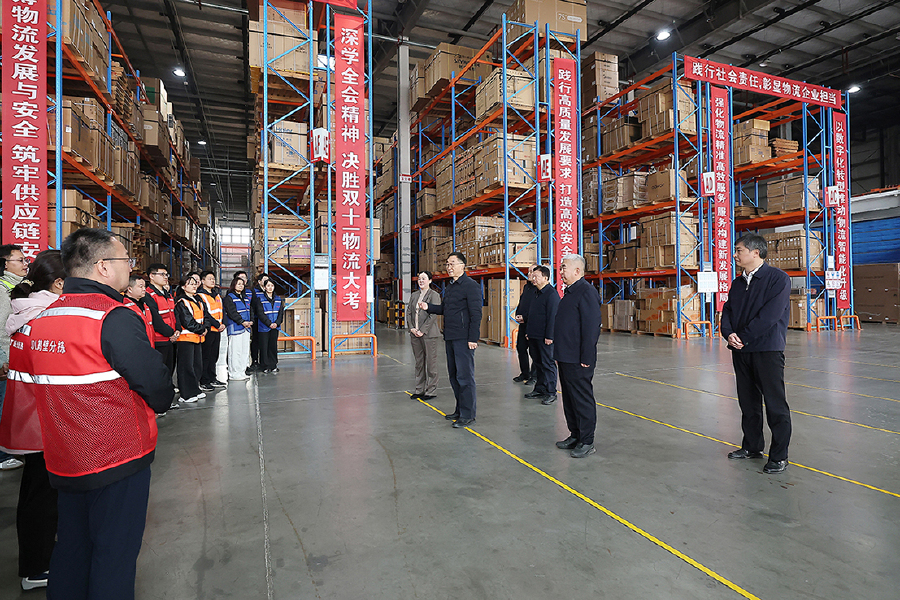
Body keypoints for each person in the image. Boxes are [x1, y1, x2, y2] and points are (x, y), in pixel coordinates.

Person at [6, 228, 173, 598]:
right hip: (116, 456)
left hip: (64, 457)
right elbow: (157, 388)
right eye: (126, 260)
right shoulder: (112, 316)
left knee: (71, 547)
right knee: (114, 554)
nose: (131, 267)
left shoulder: (44, 317)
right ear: (103, 267)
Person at [0, 250, 66, 591]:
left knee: (34, 491)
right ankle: (37, 566)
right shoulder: (46, 319)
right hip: (46, 419)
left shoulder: (25, 314)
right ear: (58, 284)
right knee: (43, 495)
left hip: (31, 416)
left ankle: (35, 559)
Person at [721, 233, 792, 474]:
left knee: (775, 404)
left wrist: (743, 336)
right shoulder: (737, 283)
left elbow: (770, 316)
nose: (735, 255)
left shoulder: (778, 279)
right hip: (741, 350)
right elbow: (727, 311)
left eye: (739, 250)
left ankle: (779, 456)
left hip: (767, 349)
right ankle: (752, 446)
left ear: (755, 252)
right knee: (748, 402)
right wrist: (728, 334)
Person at [419, 252, 482, 428]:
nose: (449, 267)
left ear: (463, 265)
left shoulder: (471, 286)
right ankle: (460, 410)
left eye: (452, 263)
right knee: (454, 376)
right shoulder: (451, 286)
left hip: (464, 338)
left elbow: (476, 314)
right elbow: (445, 309)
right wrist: (429, 307)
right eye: (447, 264)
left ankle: (468, 415)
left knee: (465, 377)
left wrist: (473, 338)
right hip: (451, 336)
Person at [553, 254, 602, 458]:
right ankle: (575, 434)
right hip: (565, 356)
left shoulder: (586, 292)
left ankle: (587, 440)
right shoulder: (570, 292)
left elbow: (591, 329)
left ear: (577, 271)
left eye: (564, 267)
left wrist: (586, 357)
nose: (561, 272)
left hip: (578, 358)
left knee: (581, 398)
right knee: (569, 398)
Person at [0, 244, 28, 471]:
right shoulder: (2, 290)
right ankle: (3, 455)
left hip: (16, 358)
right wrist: (4, 360)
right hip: (7, 360)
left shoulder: (20, 286)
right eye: (20, 260)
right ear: (5, 264)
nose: (25, 264)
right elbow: (1, 330)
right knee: (4, 406)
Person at [524, 265, 559, 405]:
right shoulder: (535, 293)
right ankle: (540, 389)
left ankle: (551, 392)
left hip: (545, 337)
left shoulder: (551, 294)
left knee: (547, 364)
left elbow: (553, 317)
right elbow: (532, 314)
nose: (533, 278)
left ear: (545, 278)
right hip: (534, 335)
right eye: (533, 276)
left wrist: (550, 336)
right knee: (538, 364)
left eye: (536, 276)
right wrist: (528, 332)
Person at [175, 272, 210, 403]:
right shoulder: (182, 302)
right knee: (186, 367)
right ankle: (186, 394)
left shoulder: (198, 300)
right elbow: (187, 321)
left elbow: (206, 316)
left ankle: (195, 389)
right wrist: (201, 329)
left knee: (197, 366)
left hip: (198, 338)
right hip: (186, 339)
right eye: (190, 284)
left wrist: (205, 328)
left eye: (195, 284)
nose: (194, 286)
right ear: (183, 287)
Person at [406, 271, 442, 400]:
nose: (421, 281)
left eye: (424, 278)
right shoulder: (414, 295)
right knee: (419, 362)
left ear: (430, 281)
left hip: (429, 334)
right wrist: (412, 328)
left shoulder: (434, 295)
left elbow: (433, 315)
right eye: (419, 279)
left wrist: (422, 330)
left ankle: (431, 390)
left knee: (431, 363)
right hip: (415, 334)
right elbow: (409, 312)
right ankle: (419, 389)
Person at [144, 264, 179, 378]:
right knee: (160, 371)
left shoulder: (167, 294)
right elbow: (156, 319)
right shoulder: (148, 295)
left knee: (170, 369)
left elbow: (174, 313)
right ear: (151, 276)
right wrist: (170, 333)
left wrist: (177, 330)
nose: (165, 277)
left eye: (166, 274)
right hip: (159, 339)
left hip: (171, 339)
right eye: (162, 274)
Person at [198, 270, 227, 391]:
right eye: (209, 278)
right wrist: (216, 324)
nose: (212, 281)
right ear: (203, 281)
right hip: (209, 329)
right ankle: (204, 380)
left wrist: (223, 323)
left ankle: (212, 378)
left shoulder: (217, 295)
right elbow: (205, 313)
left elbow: (222, 310)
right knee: (206, 356)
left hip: (218, 330)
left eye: (213, 279)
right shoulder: (200, 295)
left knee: (214, 355)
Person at [223, 275, 253, 381]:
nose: (241, 286)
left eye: (242, 284)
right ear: (233, 285)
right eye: (238, 284)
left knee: (244, 351)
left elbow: (250, 310)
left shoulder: (246, 298)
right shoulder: (229, 297)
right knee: (235, 351)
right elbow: (232, 312)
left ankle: (242, 371)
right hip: (236, 327)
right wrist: (242, 321)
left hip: (246, 328)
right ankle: (234, 373)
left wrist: (251, 321)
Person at [513, 265, 539, 384]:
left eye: (532, 271)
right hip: (523, 325)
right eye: (528, 271)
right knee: (521, 348)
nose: (529, 274)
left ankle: (534, 376)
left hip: (532, 325)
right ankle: (525, 373)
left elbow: (536, 309)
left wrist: (526, 317)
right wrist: (518, 314)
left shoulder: (538, 289)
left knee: (534, 352)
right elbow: (522, 303)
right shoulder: (526, 287)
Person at [253, 278, 284, 373]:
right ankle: (265, 366)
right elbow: (260, 313)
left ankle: (273, 365)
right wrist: (269, 323)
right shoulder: (260, 299)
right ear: (265, 287)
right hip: (264, 327)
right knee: (264, 347)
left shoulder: (278, 299)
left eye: (272, 286)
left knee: (273, 346)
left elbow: (281, 313)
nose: (270, 288)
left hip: (275, 327)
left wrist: (277, 323)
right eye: (268, 286)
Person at [124, 273, 155, 347]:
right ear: (130, 289)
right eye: (141, 286)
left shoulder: (145, 304)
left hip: (149, 345)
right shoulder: (125, 306)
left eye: (144, 286)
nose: (144, 289)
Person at [248, 273, 270, 374]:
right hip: (257, 319)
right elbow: (252, 306)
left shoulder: (268, 291)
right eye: (264, 280)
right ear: (259, 282)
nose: (266, 282)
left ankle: (265, 362)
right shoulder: (254, 291)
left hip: (267, 320)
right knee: (256, 340)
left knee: (265, 342)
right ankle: (255, 361)